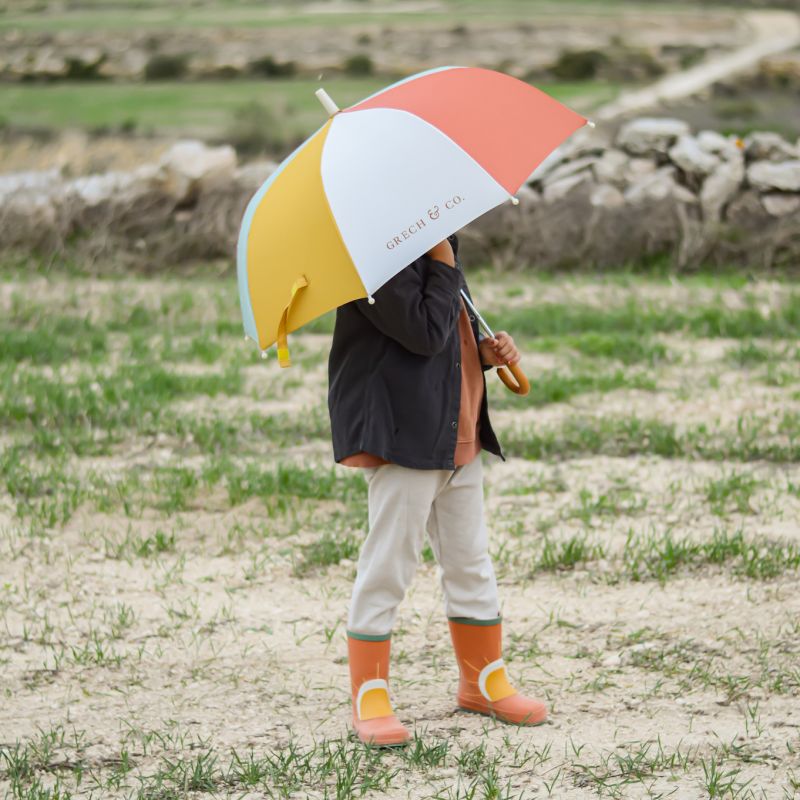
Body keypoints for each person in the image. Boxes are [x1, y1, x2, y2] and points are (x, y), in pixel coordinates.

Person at [327, 232, 547, 747]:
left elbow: (448, 333)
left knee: (471, 559)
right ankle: (371, 693)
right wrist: (442, 260)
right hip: (407, 438)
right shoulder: (372, 261)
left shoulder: (436, 243)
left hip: (458, 431)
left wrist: (486, 354)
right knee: (389, 563)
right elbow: (424, 334)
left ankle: (483, 680)